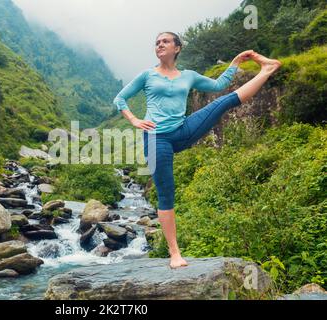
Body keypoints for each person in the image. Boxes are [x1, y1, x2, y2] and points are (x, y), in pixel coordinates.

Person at [113, 31, 281, 269]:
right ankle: (174, 253)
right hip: (156, 138)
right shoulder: (147, 75)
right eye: (157, 42)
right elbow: (120, 99)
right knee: (166, 193)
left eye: (165, 41)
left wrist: (234, 63)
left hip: (183, 130)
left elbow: (219, 85)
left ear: (177, 48)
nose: (160, 45)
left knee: (222, 102)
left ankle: (267, 70)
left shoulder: (188, 76)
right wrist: (134, 120)